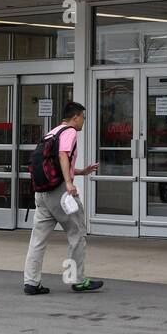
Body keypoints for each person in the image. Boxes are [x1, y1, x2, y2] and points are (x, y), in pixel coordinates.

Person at [23, 102, 103, 294]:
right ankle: (76, 279)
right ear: (75, 117)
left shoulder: (52, 132)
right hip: (59, 193)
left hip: (42, 193)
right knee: (76, 233)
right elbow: (62, 155)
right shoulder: (70, 132)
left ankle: (31, 283)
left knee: (38, 239)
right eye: (83, 117)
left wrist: (81, 172)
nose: (84, 121)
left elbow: (54, 165)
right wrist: (69, 183)